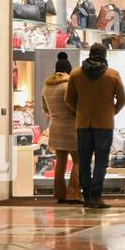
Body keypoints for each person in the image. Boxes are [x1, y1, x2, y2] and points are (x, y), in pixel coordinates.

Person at [64, 43, 125, 210]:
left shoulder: (76, 74)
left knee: (84, 161)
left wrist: (79, 111)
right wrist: (110, 112)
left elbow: (68, 99)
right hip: (104, 124)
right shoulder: (112, 75)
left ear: (90, 54)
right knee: (101, 161)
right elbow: (123, 99)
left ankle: (86, 196)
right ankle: (96, 196)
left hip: (83, 124)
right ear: (104, 55)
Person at [40, 52, 79, 204]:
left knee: (60, 162)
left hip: (55, 128)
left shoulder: (46, 88)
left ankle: (60, 194)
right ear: (69, 71)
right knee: (79, 161)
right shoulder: (69, 85)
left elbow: (45, 110)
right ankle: (74, 194)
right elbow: (75, 107)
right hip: (71, 127)